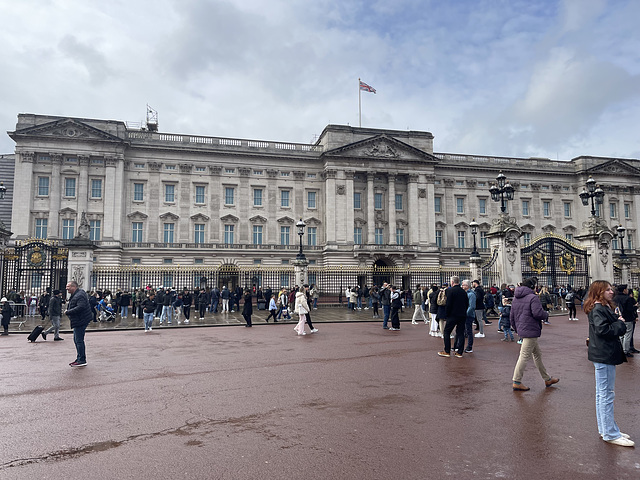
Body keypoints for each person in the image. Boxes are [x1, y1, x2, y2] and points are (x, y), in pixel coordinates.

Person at [585, 280, 634, 447]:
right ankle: (610, 433)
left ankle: (606, 428)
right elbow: (603, 330)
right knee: (606, 394)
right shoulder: (599, 309)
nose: (611, 292)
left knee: (602, 394)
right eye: (607, 290)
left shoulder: (600, 307)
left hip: (602, 354)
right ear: (599, 292)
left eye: (610, 289)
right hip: (604, 354)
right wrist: (620, 323)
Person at [511, 277, 559, 391]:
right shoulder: (533, 297)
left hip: (523, 329)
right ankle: (517, 381)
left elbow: (512, 316)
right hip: (531, 329)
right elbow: (537, 313)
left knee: (537, 355)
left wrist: (517, 328)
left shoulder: (516, 298)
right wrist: (546, 314)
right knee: (524, 356)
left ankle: (547, 379)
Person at [65, 281, 93, 367]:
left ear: (73, 287)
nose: (66, 288)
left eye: (68, 286)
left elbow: (81, 307)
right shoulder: (78, 294)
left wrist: (68, 312)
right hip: (79, 320)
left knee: (79, 341)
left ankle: (82, 359)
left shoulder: (79, 295)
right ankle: (79, 358)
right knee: (77, 340)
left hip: (81, 320)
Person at [439, 276, 467, 358]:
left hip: (452, 315)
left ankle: (447, 351)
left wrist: (447, 314)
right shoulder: (463, 291)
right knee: (460, 333)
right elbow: (466, 303)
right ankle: (460, 352)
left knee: (446, 332)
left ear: (452, 282)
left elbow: (448, 304)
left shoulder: (450, 291)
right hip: (462, 315)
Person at [613, 285, 635, 358]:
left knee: (621, 335)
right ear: (624, 290)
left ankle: (620, 349)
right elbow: (630, 309)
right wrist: (635, 307)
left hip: (618, 318)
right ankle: (625, 350)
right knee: (627, 335)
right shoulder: (627, 298)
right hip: (628, 318)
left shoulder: (615, 298)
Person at [462, 280, 476, 353]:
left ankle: (469, 347)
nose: (462, 286)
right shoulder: (464, 293)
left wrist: (466, 313)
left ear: (467, 286)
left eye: (463, 285)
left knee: (469, 331)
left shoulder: (471, 294)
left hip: (469, 315)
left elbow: (472, 306)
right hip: (464, 314)